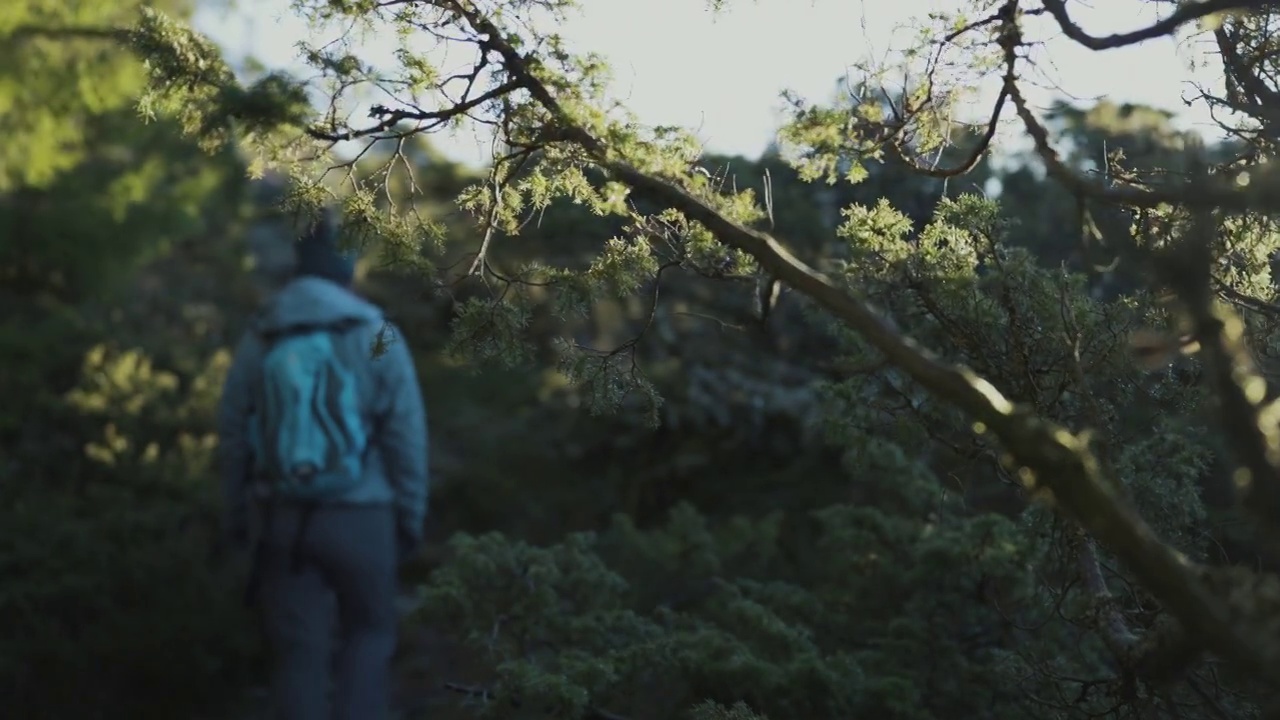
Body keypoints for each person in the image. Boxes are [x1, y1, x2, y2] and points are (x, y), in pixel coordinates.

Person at [217, 209, 429, 720]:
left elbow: (233, 437)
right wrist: (409, 518)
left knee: (297, 657)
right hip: (364, 516)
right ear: (346, 265)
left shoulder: (262, 334)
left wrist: (238, 519)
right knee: (370, 637)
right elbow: (406, 437)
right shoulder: (376, 332)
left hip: (282, 519)